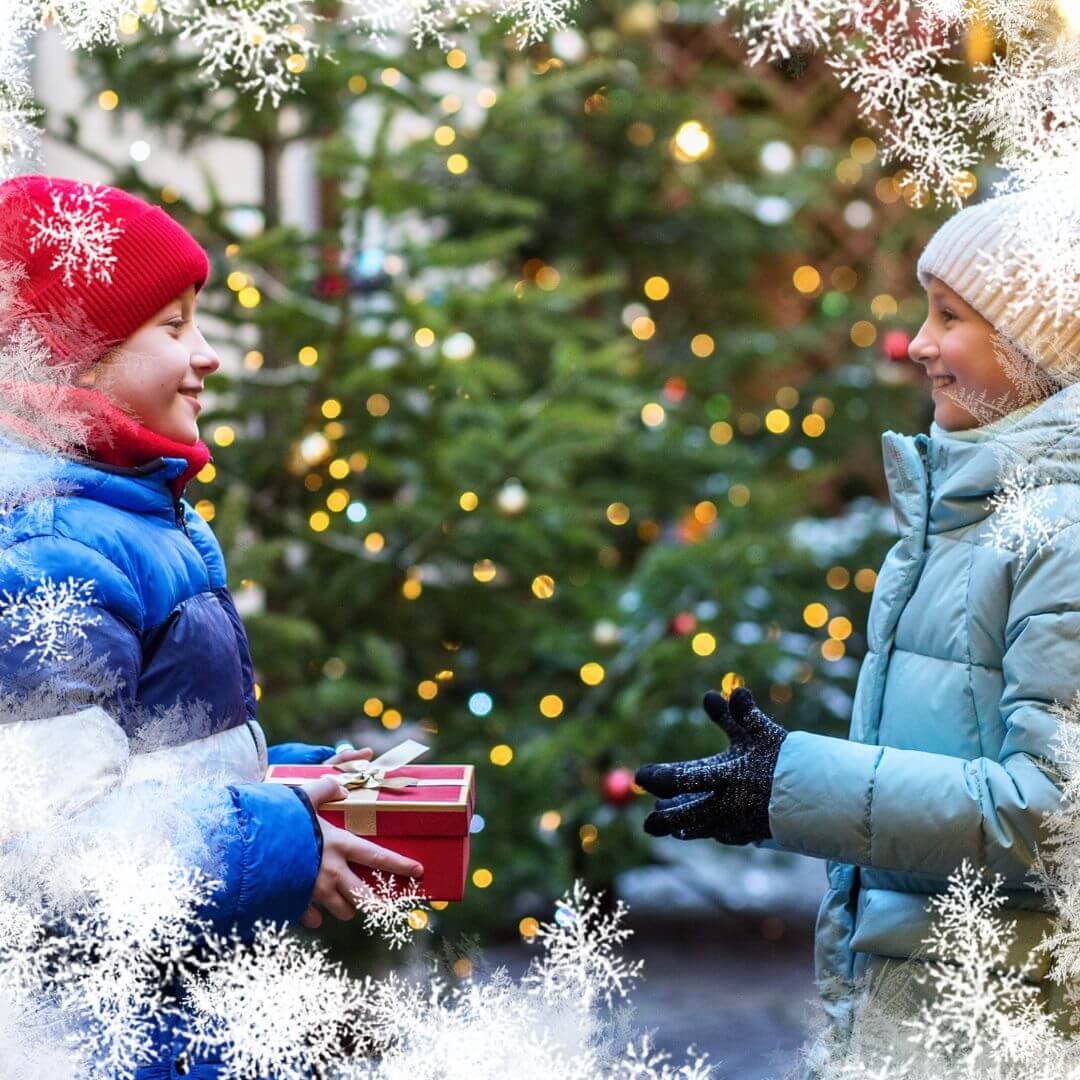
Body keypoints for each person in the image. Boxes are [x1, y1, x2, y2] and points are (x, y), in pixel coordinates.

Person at [635, 187, 1080, 1067]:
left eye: (949, 317)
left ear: (1036, 343)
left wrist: (795, 783)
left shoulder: (1057, 535)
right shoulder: (964, 513)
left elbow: (1054, 811)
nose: (917, 344)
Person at [0, 175, 423, 1077]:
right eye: (173, 324)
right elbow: (53, 860)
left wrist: (286, 786)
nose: (208, 354)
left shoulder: (119, 515)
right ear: (77, 351)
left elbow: (134, 761)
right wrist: (277, 842)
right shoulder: (48, 548)